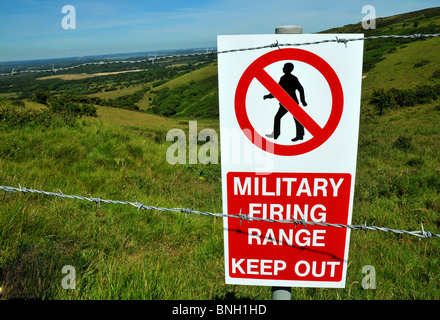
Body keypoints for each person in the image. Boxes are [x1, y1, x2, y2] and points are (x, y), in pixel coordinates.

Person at [263, 62, 307, 141]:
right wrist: (269, 96)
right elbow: (277, 90)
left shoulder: (293, 78)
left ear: (287, 69)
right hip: (285, 102)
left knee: (296, 118)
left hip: (291, 102)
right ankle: (276, 134)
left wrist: (303, 100)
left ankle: (299, 135)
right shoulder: (283, 78)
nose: (282, 68)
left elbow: (300, 88)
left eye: (284, 67)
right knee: (279, 117)